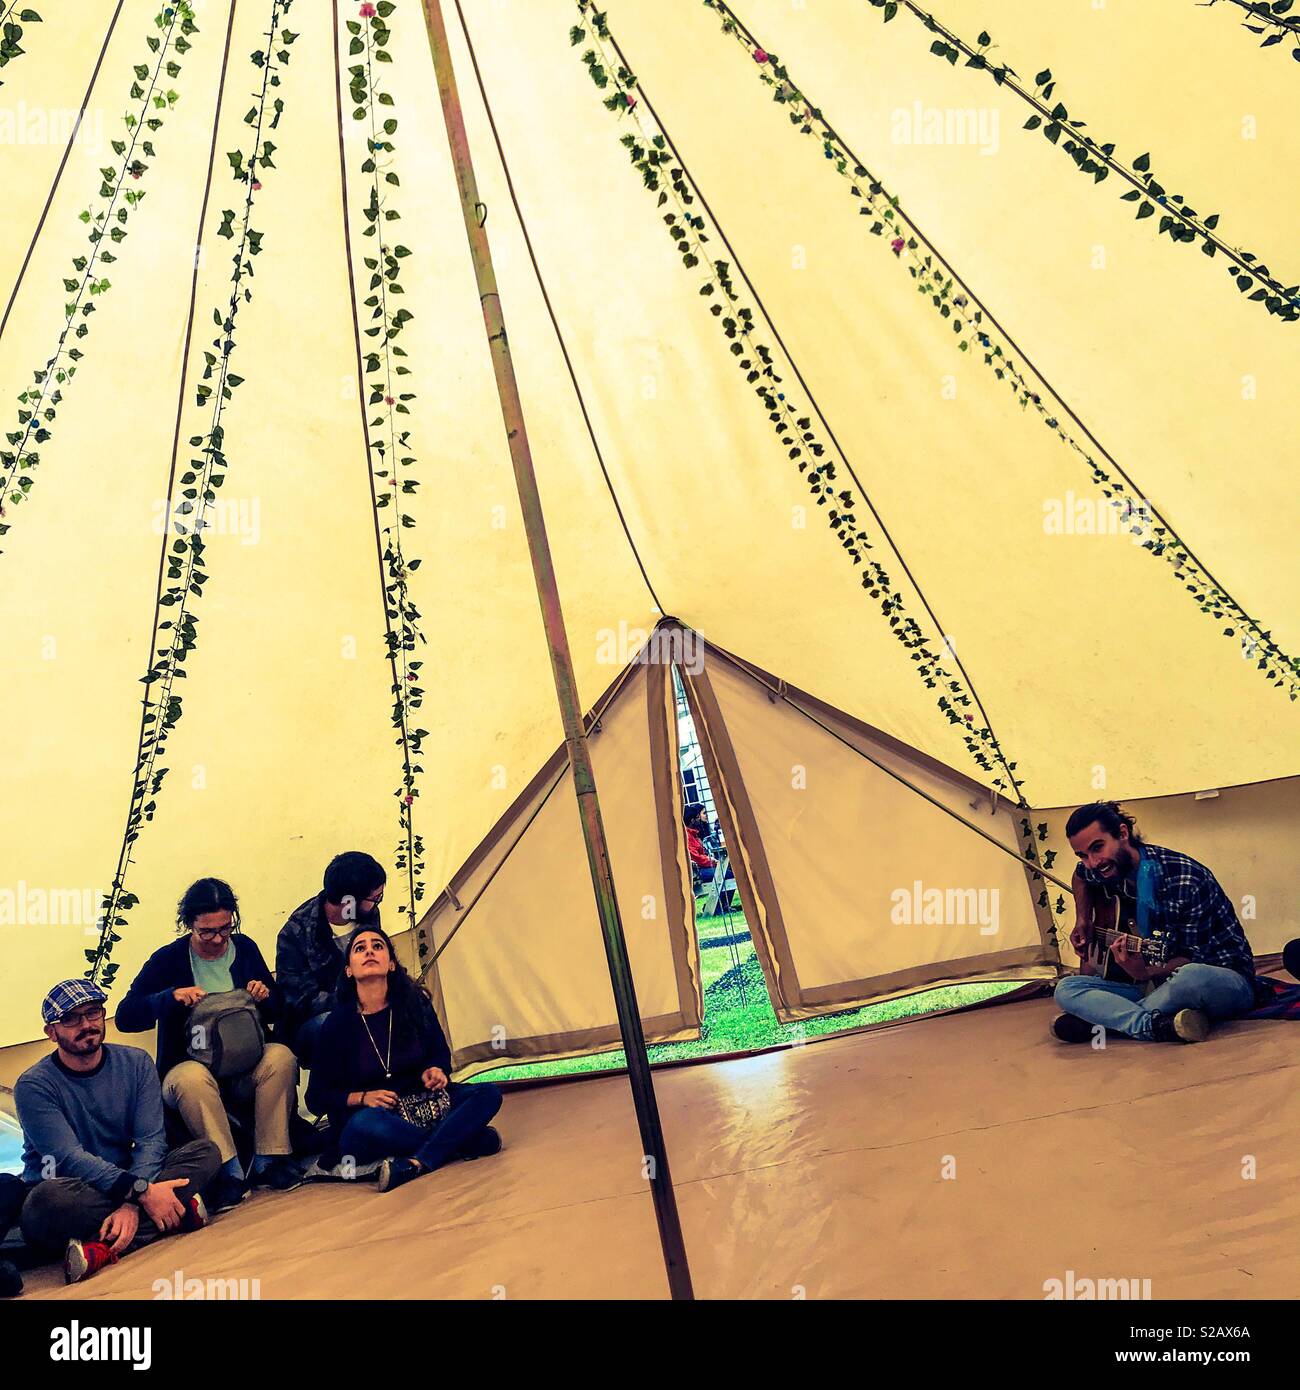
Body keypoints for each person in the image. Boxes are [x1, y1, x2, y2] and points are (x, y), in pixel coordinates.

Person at [8, 979, 220, 1285]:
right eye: (71, 1019)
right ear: (51, 1032)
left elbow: (150, 1139)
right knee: (45, 1204)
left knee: (206, 1152)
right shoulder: (34, 1085)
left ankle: (100, 1248)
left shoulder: (136, 1063)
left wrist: (133, 1202)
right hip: (72, 1191)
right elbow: (67, 1158)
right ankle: (172, 1214)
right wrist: (143, 1193)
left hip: (128, 1180)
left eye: (93, 1013)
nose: (86, 1025)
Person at [116, 878, 300, 1210]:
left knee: (281, 1056)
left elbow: (280, 1009)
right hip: (191, 1068)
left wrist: (265, 995)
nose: (217, 939)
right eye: (207, 932)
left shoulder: (244, 949)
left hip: (246, 1063)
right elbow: (127, 1016)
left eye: (224, 929)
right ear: (189, 925)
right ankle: (228, 1171)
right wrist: (169, 998)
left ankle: (268, 1161)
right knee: (190, 1079)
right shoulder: (168, 960)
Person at [305, 925, 502, 1193]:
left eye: (378, 946)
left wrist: (435, 1071)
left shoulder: (414, 1005)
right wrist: (363, 1097)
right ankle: (462, 1141)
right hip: (372, 1119)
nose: (369, 951)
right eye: (359, 948)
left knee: (488, 1093)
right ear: (349, 970)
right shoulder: (337, 1024)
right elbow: (316, 1098)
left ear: (392, 964)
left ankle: (419, 1161)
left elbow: (439, 1055)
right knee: (366, 1124)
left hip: (421, 1106)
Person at [1052, 801, 1264, 1044]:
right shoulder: (1102, 868)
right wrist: (1083, 920)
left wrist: (1144, 971)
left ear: (1122, 834)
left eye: (1097, 848)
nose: (1092, 862)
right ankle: (1152, 1024)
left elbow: (1196, 958)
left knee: (1191, 976)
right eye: (1082, 855)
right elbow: (1080, 876)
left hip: (1221, 980)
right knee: (1067, 988)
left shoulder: (1186, 878)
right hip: (1154, 985)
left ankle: (1106, 1020)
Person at [278, 851, 386, 1067]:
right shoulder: (296, 932)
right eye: (375, 898)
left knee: (415, 1005)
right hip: (315, 1022)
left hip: (368, 1006)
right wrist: (357, 1001)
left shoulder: (368, 915)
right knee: (333, 1024)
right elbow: (301, 1001)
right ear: (348, 901)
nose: (377, 903)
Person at [684, 802, 717, 884]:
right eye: (697, 817)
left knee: (727, 872)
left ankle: (722, 897)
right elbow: (696, 858)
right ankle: (722, 897)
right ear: (692, 820)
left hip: (702, 866)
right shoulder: (687, 836)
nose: (699, 819)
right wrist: (712, 861)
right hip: (697, 871)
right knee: (725, 874)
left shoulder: (694, 833)